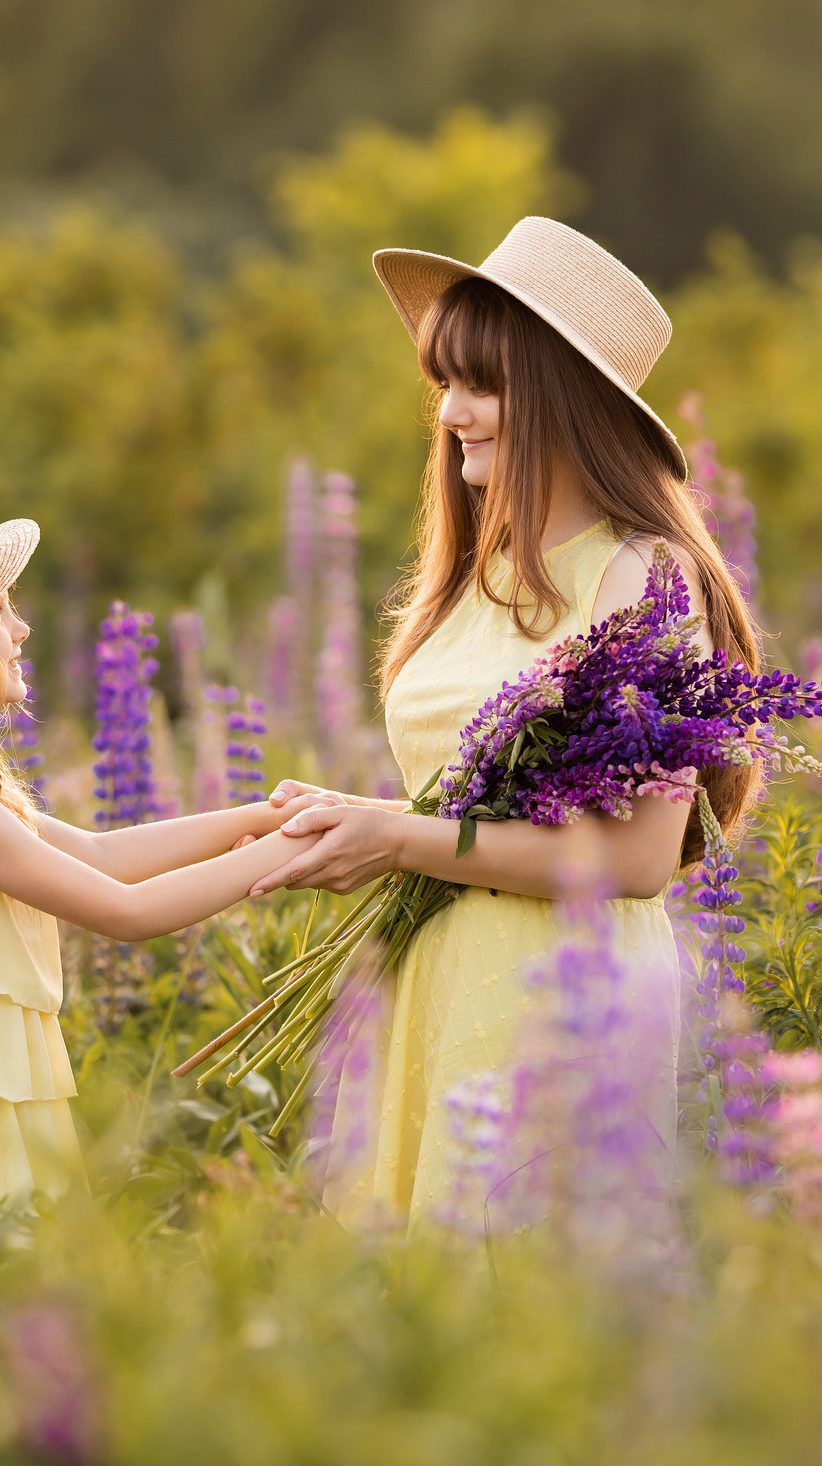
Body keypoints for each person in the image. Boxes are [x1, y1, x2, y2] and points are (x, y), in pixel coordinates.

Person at [250, 216, 761, 1227]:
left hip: (564, 996)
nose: (449, 411)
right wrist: (365, 818)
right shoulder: (470, 577)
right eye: (445, 380)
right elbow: (461, 792)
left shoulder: (643, 578)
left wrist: (396, 838)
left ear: (560, 400)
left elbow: (639, 858)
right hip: (439, 977)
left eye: (480, 385)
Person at [0, 502, 330, 1226]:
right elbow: (126, 911)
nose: (20, 630)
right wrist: (302, 848)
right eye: (1, 613)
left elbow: (103, 853)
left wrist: (273, 817)